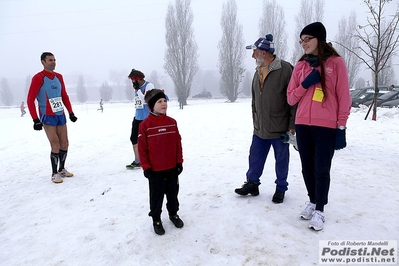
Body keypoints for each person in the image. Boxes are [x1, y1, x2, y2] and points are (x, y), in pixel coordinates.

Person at [287, 22, 351, 231]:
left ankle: (320, 210)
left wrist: (341, 127)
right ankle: (312, 201)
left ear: (319, 40)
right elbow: (290, 98)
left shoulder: (336, 63)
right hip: (303, 123)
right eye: (301, 40)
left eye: (308, 39)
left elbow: (344, 97)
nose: (303, 44)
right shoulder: (300, 66)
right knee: (307, 167)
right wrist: (305, 84)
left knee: (321, 168)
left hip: (326, 126)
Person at [234, 34, 296, 204]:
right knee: (254, 156)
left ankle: (281, 188)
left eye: (254, 52)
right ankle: (252, 183)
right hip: (260, 126)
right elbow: (256, 99)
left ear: (264, 52)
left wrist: (292, 124)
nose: (252, 55)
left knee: (281, 160)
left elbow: (293, 100)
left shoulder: (285, 69)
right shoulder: (258, 71)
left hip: (279, 127)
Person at [138, 89, 184, 235]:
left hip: (171, 168)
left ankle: (173, 214)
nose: (164, 104)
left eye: (164, 101)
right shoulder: (145, 125)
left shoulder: (172, 123)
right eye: (159, 101)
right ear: (151, 105)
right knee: (156, 196)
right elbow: (142, 149)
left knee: (173, 194)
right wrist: (146, 167)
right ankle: (156, 219)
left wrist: (179, 162)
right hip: (155, 171)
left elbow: (178, 143)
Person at [27, 52, 78, 183]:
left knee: (65, 143)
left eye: (54, 60)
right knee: (55, 144)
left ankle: (61, 169)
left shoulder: (59, 77)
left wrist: (71, 112)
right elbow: (30, 99)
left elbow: (64, 95)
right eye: (50, 60)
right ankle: (54, 173)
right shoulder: (38, 78)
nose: (53, 62)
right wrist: (35, 119)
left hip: (60, 114)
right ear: (43, 62)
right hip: (47, 115)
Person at [126, 69, 154, 169]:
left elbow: (146, 101)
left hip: (147, 118)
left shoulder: (149, 86)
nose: (133, 83)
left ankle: (152, 158)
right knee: (133, 138)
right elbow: (138, 103)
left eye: (134, 81)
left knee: (148, 140)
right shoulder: (136, 87)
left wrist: (138, 90)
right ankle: (137, 160)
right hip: (137, 117)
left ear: (139, 79)